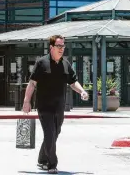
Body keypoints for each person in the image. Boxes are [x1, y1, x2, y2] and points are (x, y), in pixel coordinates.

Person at [22, 35, 88, 174]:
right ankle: (51, 164)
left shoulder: (65, 64)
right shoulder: (42, 62)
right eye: (59, 46)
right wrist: (26, 101)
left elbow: (72, 82)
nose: (62, 49)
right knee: (50, 133)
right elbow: (32, 83)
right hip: (44, 106)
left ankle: (41, 159)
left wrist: (81, 91)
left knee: (54, 133)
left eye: (63, 46)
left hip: (59, 106)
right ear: (51, 47)